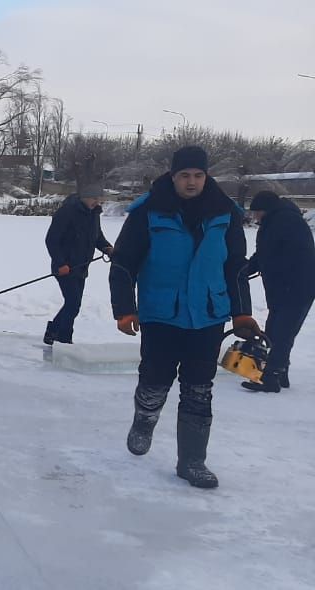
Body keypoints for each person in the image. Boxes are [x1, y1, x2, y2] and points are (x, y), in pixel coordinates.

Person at [110, 145, 260, 489]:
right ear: (172, 175)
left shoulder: (226, 212)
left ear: (206, 176)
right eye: (184, 175)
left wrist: (241, 313)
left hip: (207, 314)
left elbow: (235, 266)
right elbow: (123, 263)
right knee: (155, 378)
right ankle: (145, 418)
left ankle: (192, 461)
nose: (192, 182)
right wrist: (124, 309)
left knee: (199, 388)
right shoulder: (148, 211)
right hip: (160, 312)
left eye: (198, 175)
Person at [242, 191, 315, 392]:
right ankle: (280, 373)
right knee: (275, 329)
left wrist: (260, 268)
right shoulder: (277, 221)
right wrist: (246, 270)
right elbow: (266, 253)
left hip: (296, 287)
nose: (254, 217)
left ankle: (272, 377)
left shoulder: (284, 222)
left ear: (265, 210)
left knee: (283, 332)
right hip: (285, 288)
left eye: (256, 212)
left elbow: (281, 256)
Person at [43, 184, 113, 345]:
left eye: (99, 199)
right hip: (65, 268)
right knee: (73, 304)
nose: (97, 202)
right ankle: (63, 339)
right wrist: (60, 263)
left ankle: (53, 331)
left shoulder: (94, 214)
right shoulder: (67, 212)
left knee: (73, 304)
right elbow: (51, 240)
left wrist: (107, 248)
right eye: (94, 198)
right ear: (84, 197)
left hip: (81, 267)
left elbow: (97, 237)